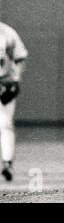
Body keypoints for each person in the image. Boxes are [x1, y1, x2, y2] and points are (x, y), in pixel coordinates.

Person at [0, 21, 28, 181]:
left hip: (4, 83)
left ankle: (7, 163)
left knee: (5, 124)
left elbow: (20, 57)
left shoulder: (6, 32)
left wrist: (16, 79)